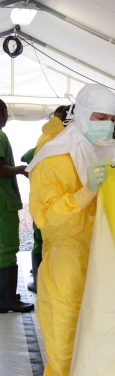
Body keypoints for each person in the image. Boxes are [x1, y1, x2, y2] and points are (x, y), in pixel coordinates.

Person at [27, 84, 115, 376]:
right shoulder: (54, 156)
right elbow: (45, 217)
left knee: (106, 346)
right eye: (100, 117)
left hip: (109, 260)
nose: (107, 126)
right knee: (65, 346)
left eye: (112, 119)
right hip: (68, 264)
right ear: (83, 114)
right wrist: (85, 193)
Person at [21, 105, 69, 293]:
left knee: (41, 241)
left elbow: (26, 156)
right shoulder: (67, 142)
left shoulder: (46, 139)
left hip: (43, 203)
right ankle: (43, 281)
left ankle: (39, 281)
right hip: (64, 207)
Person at [0, 98, 34, 314]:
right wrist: (21, 169)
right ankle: (7, 299)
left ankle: (5, 294)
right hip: (3, 202)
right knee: (7, 249)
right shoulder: (0, 135)